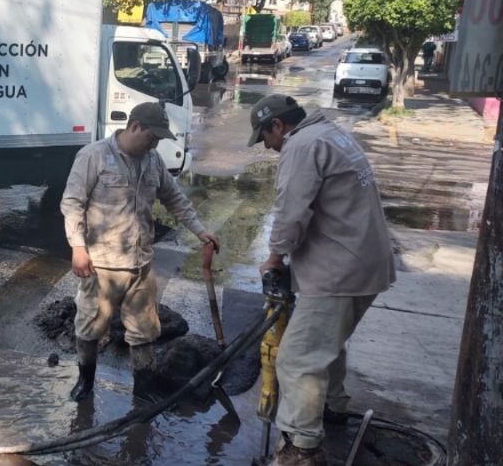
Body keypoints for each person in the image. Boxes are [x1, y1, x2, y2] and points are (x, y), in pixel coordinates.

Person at [247, 94, 395, 466]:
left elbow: (291, 211)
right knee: (327, 341)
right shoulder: (332, 134)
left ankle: (301, 448)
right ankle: (333, 407)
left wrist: (275, 258)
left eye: (265, 136)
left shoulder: (302, 144)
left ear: (278, 125)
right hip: (363, 264)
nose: (267, 145)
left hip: (339, 271)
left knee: (298, 359)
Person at [60, 102, 220, 402]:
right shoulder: (94, 156)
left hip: (141, 264)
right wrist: (78, 248)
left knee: (145, 331)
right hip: (102, 265)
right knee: (89, 327)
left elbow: (174, 198)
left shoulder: (153, 161)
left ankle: (143, 388)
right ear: (134, 127)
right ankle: (86, 380)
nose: (155, 143)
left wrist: (200, 231)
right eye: (152, 136)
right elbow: (72, 203)